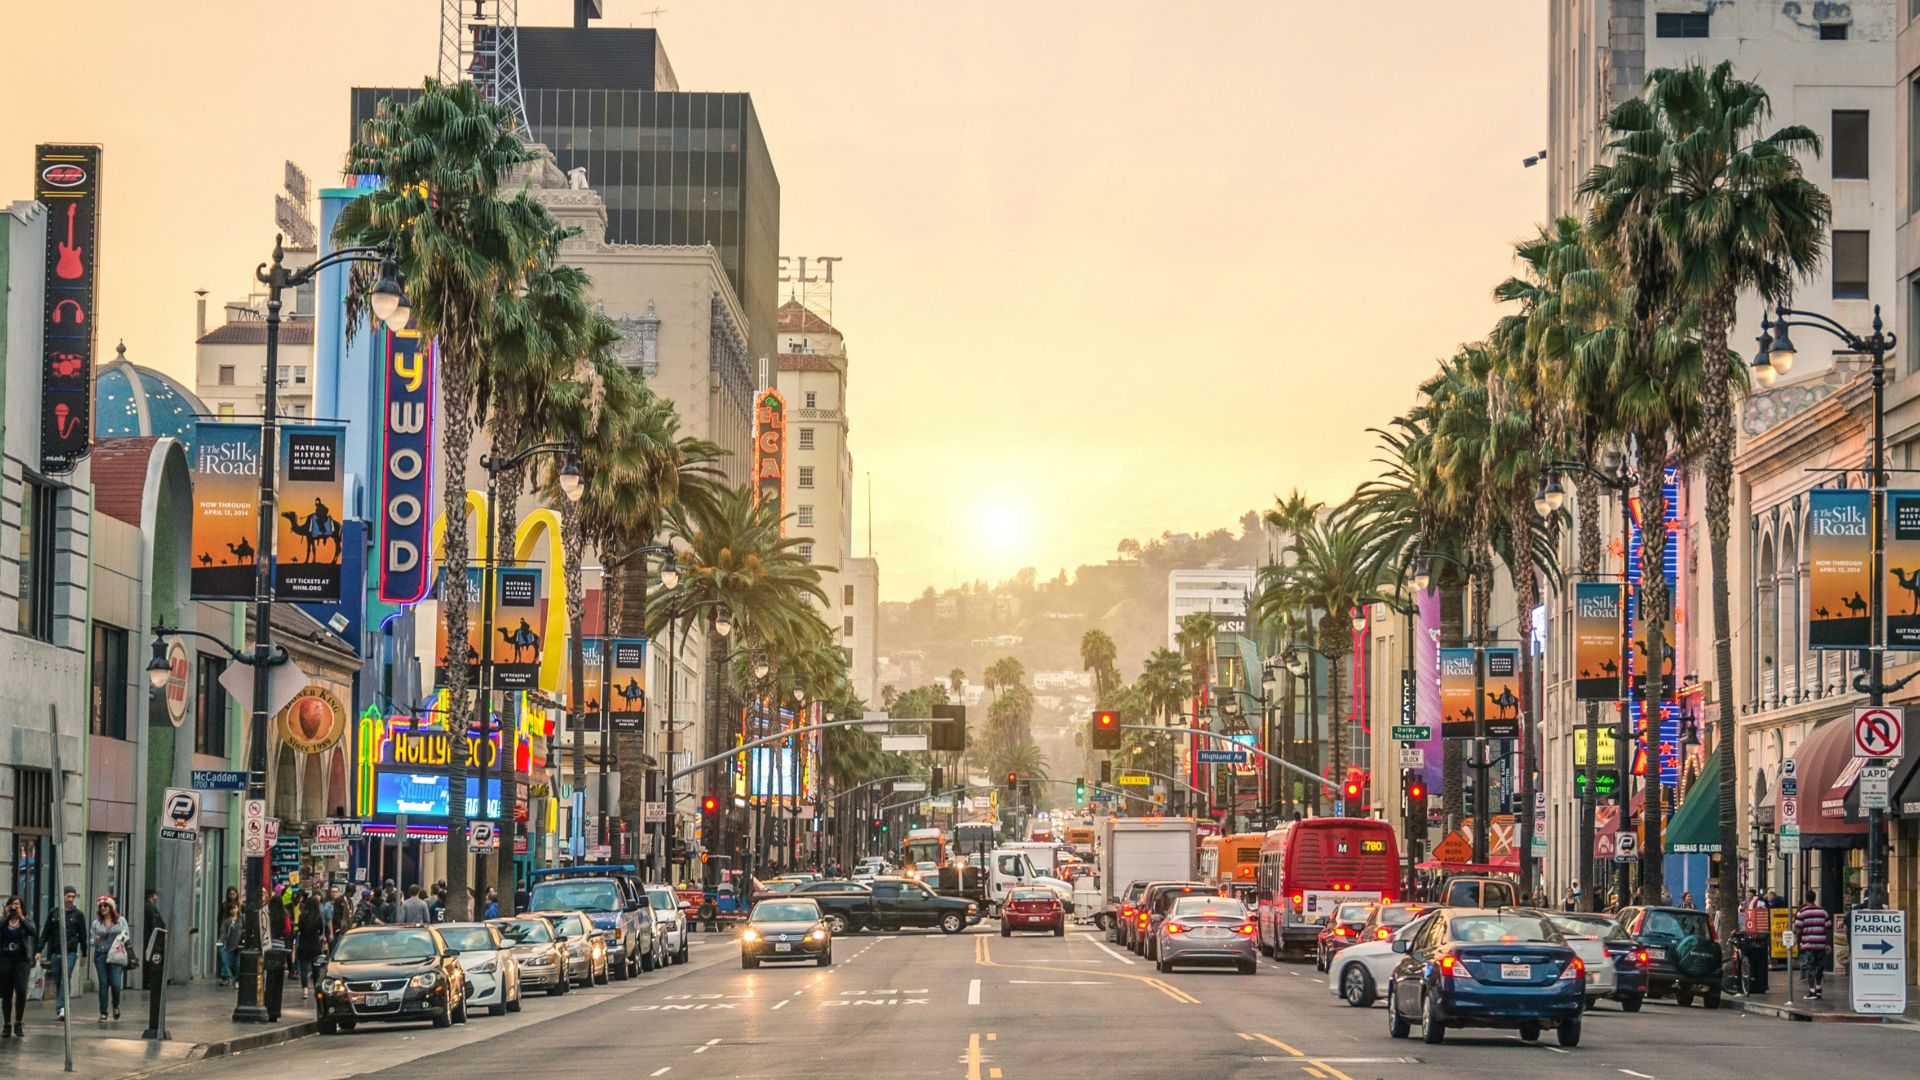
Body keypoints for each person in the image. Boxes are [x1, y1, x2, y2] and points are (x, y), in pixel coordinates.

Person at [41, 884, 85, 1019]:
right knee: (58, 979)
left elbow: (83, 934)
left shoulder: (78, 915)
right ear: (63, 897)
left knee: (66, 978)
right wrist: (39, 949)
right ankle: (65, 1003)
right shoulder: (54, 913)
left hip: (70, 951)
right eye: (68, 896)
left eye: (73, 896)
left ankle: (61, 1007)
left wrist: (84, 952)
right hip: (55, 951)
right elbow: (46, 932)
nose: (70, 899)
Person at [0, 897, 37, 1038]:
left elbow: (32, 931)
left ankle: (19, 1022)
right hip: (5, 960)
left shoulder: (26, 921)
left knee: (21, 991)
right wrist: (6, 916)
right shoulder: (3, 921)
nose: (14, 907)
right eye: (12, 905)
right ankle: (7, 1024)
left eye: (17, 905)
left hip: (22, 960)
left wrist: (21, 916)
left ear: (21, 907)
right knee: (6, 993)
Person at [91, 897, 130, 1021]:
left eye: (105, 906)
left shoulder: (120, 921)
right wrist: (95, 940)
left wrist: (121, 939)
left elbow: (127, 936)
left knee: (116, 983)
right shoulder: (96, 923)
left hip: (116, 955)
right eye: (100, 906)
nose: (103, 908)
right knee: (103, 983)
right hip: (101, 955)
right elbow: (91, 940)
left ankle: (116, 1005)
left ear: (111, 907)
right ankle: (103, 1012)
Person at [1793, 893, 1832, 999]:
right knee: (1819, 967)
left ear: (1806, 899)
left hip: (1808, 945)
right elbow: (1828, 928)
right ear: (1815, 898)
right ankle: (1818, 989)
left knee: (1810, 968)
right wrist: (1827, 944)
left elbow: (1798, 930)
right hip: (1821, 944)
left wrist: (1799, 943)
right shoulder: (1823, 912)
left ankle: (1812, 991)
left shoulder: (1802, 912)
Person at [294, 894, 326, 989]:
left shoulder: (301, 916)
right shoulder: (318, 918)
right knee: (316, 970)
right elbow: (321, 931)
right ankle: (316, 988)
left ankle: (305, 990)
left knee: (304, 970)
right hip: (315, 945)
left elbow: (299, 929)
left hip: (303, 945)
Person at [216, 900, 242, 987]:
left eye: (235, 908)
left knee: (238, 964)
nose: (233, 910)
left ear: (238, 909)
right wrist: (220, 941)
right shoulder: (226, 921)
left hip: (239, 946)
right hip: (228, 945)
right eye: (231, 908)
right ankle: (227, 978)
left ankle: (237, 980)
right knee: (227, 962)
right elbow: (223, 933)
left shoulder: (241, 920)